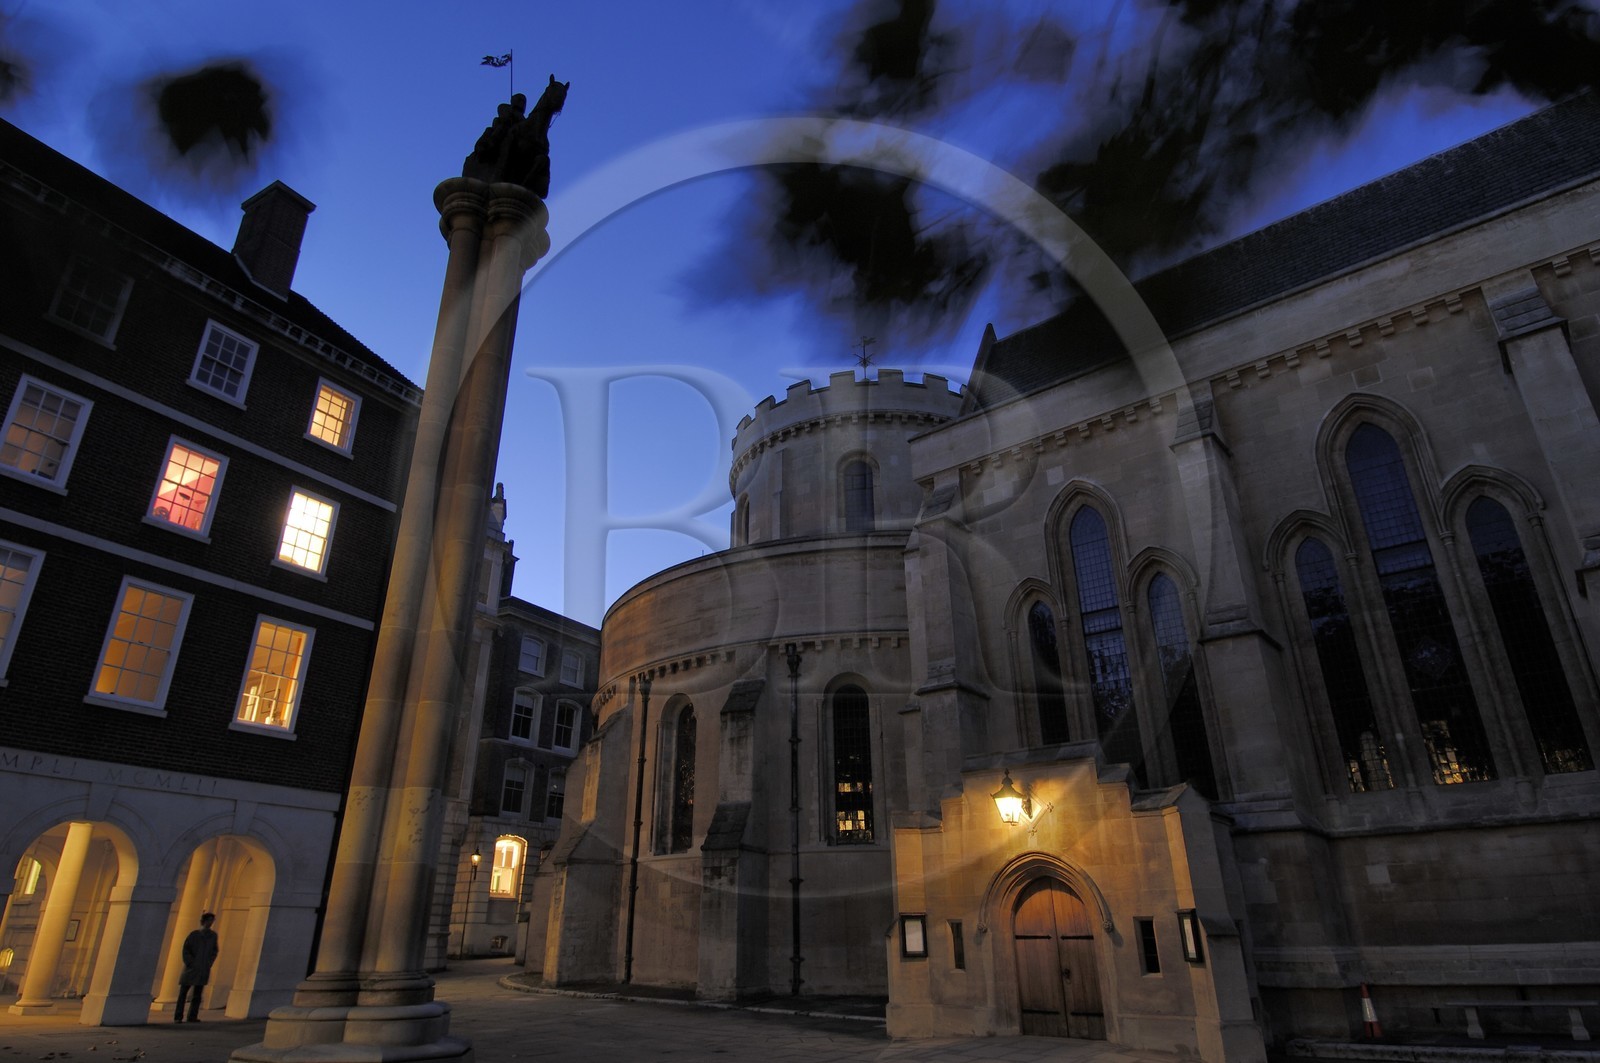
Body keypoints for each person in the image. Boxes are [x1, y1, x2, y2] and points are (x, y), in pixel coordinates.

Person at [174, 912, 218, 1023]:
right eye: (209, 920)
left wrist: (209, 962)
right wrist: (190, 963)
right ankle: (178, 1016)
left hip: (203, 968)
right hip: (192, 968)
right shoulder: (194, 935)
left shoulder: (212, 936)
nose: (211, 923)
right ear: (204, 921)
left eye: (212, 920)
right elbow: (186, 950)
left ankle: (192, 1016)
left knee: (197, 995)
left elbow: (214, 951)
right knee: (183, 993)